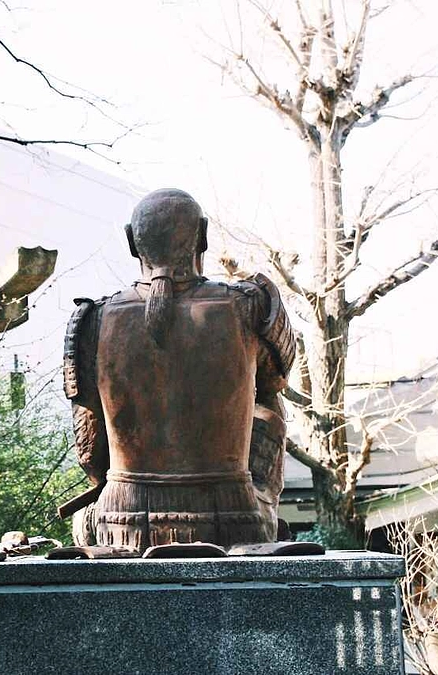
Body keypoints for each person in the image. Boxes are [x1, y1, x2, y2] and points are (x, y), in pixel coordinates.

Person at [61, 188, 295, 552]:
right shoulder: (250, 307)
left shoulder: (93, 321)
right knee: (268, 402)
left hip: (121, 521)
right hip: (236, 518)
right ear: (202, 235)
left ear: (131, 241)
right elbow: (275, 389)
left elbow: (89, 452)